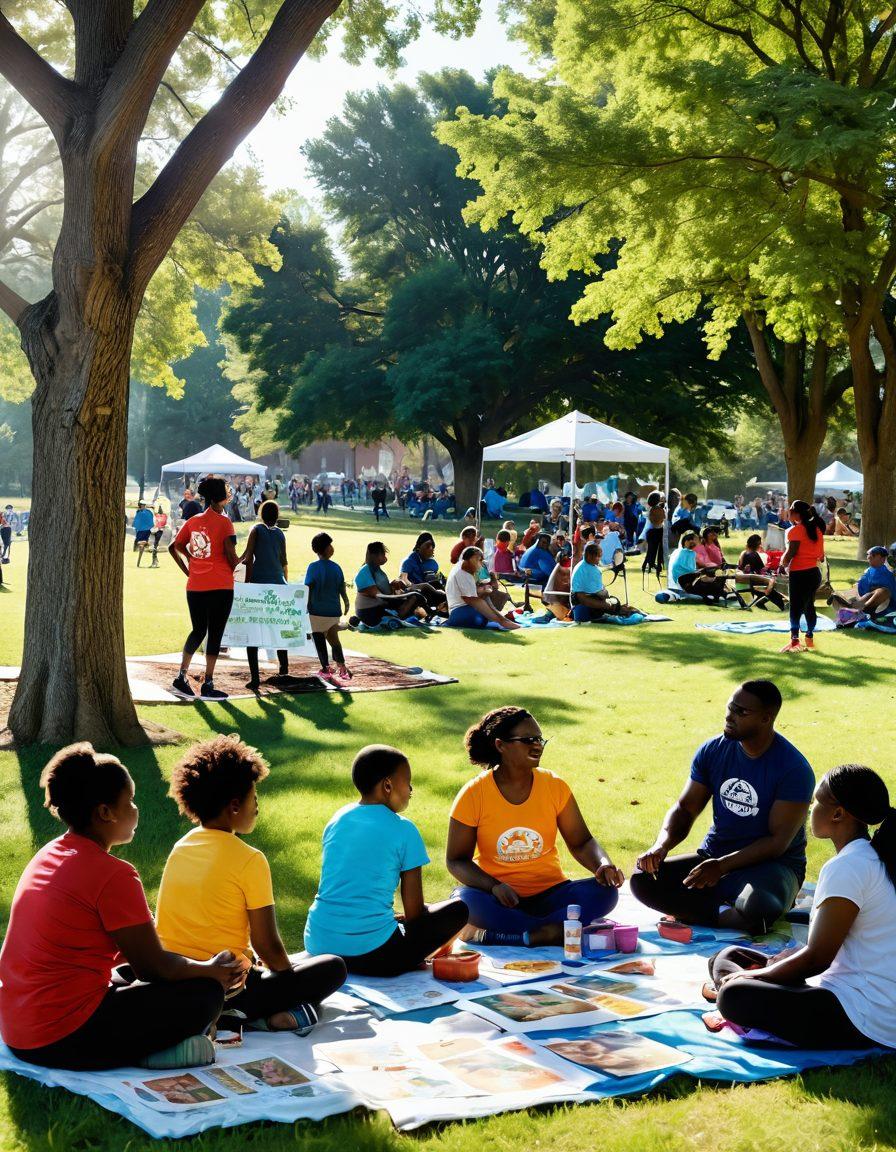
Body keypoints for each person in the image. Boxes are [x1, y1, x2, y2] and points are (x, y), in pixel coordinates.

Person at [0, 743, 245, 1071]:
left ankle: (149, 1045)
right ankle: (149, 1052)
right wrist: (212, 972)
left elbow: (136, 955)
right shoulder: (114, 874)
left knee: (131, 976)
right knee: (205, 994)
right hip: (61, 1038)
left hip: (18, 1029)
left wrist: (199, 964)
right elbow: (154, 967)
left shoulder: (48, 854)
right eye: (129, 801)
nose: (135, 809)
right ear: (105, 812)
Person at [156, 736, 346, 1036]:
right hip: (227, 985)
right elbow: (266, 945)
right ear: (234, 805)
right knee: (333, 967)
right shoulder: (249, 859)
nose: (256, 804)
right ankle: (247, 1015)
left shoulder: (181, 846)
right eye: (253, 796)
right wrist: (288, 982)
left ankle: (244, 1015)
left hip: (174, 981)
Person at [709, 763, 896, 1051]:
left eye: (817, 799)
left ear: (838, 813)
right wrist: (774, 967)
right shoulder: (865, 858)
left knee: (734, 993)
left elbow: (818, 959)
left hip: (866, 1015)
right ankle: (743, 984)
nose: (810, 805)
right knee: (727, 956)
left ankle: (732, 989)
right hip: (853, 992)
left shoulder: (849, 866)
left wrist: (757, 975)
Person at [630, 680, 815, 934]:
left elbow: (777, 843)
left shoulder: (793, 769)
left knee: (759, 905)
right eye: (730, 707)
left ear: (766, 719)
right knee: (643, 880)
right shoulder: (713, 751)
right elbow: (685, 808)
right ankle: (724, 912)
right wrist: (661, 845)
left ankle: (709, 910)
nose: (730, 716)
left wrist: (722, 866)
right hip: (713, 857)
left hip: (772, 867)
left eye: (742, 712)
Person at [446, 708, 623, 947]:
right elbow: (456, 860)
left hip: (552, 893)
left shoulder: (554, 785)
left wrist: (602, 864)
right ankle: (554, 930)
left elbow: (581, 842)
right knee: (464, 902)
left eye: (540, 739)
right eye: (527, 740)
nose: (537, 745)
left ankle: (520, 933)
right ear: (501, 745)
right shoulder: (473, 794)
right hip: (499, 898)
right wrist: (494, 886)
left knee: (605, 893)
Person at [305, 745, 468, 975]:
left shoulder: (338, 819)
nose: (411, 789)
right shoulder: (404, 829)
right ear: (388, 785)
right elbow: (414, 915)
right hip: (377, 955)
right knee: (458, 909)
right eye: (408, 782)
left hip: (318, 943)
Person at [169, 476, 238, 700]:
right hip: (220, 585)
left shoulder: (194, 520)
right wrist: (248, 555)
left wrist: (190, 566)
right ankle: (208, 682)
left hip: (196, 585)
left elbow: (174, 546)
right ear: (220, 496)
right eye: (227, 490)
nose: (229, 492)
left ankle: (182, 675)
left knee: (198, 630)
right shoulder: (225, 522)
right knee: (215, 633)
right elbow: (232, 559)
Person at [240, 499, 291, 691]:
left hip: (259, 584)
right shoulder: (280, 534)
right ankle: (283, 669)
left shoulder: (256, 530)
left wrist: (247, 584)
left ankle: (255, 678)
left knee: (253, 632)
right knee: (277, 629)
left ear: (261, 514)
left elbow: (248, 558)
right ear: (277, 517)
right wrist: (284, 583)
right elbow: (284, 561)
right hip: (278, 584)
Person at [305, 531, 352, 684]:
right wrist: (346, 602)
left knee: (319, 639)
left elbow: (309, 587)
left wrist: (305, 606)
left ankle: (325, 668)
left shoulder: (312, 567)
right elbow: (342, 588)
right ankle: (342, 668)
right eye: (330, 545)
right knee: (334, 640)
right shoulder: (336, 567)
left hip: (316, 611)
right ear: (324, 548)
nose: (332, 548)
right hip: (333, 612)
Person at [780, 498, 826, 653]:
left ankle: (794, 639)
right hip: (814, 573)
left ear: (796, 514)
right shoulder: (817, 530)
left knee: (795, 606)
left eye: (791, 510)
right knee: (808, 605)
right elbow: (821, 556)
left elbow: (791, 552)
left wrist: (782, 565)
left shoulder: (797, 530)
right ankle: (809, 636)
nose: (789, 512)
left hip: (799, 574)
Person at [445, 547, 520, 629]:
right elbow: (471, 599)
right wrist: (501, 620)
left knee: (484, 614)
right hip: (459, 612)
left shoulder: (466, 570)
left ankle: (502, 620)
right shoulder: (462, 572)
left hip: (466, 608)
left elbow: (472, 595)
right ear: (471, 559)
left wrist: (484, 591)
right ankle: (503, 621)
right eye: (479, 560)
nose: (481, 564)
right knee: (478, 618)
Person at [353, 541, 425, 627]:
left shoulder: (376, 570)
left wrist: (393, 585)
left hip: (380, 606)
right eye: (383, 554)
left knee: (415, 596)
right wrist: (407, 594)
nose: (385, 557)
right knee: (414, 596)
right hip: (369, 612)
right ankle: (399, 618)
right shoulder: (365, 572)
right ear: (375, 556)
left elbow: (383, 591)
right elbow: (379, 595)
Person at [570, 542, 634, 621]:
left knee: (611, 602)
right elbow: (602, 594)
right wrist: (608, 599)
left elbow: (601, 568)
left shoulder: (581, 564)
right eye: (599, 556)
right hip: (584, 603)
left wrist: (612, 566)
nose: (600, 558)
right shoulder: (592, 570)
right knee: (614, 603)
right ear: (590, 556)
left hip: (576, 602)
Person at [831, 545, 896, 616]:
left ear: (883, 559)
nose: (869, 557)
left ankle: (861, 608)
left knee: (883, 591)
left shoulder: (887, 574)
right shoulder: (869, 571)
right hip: (870, 598)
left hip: (886, 604)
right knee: (871, 593)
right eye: (868, 555)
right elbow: (863, 588)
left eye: (873, 556)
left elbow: (892, 592)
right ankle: (853, 606)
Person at [668, 531, 731, 602]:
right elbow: (692, 568)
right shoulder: (689, 553)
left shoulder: (682, 552)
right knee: (710, 577)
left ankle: (720, 593)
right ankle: (720, 593)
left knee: (710, 575)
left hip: (681, 580)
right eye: (697, 540)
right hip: (684, 580)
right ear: (689, 541)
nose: (699, 542)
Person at [399, 532, 447, 614]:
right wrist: (416, 586)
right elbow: (403, 579)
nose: (431, 548)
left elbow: (434, 579)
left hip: (431, 590)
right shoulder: (409, 561)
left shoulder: (432, 563)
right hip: (417, 590)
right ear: (419, 547)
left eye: (432, 546)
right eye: (428, 546)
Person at [736, 533, 786, 609]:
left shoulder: (744, 553)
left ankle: (761, 603)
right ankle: (783, 607)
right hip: (753, 581)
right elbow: (761, 570)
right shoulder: (753, 554)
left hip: (745, 582)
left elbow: (741, 567)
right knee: (772, 587)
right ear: (758, 544)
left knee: (770, 588)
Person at [132, 501, 154, 566]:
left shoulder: (142, 512)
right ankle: (138, 562)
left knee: (141, 544)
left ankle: (138, 562)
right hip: (143, 531)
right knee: (142, 544)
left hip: (143, 531)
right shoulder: (146, 512)